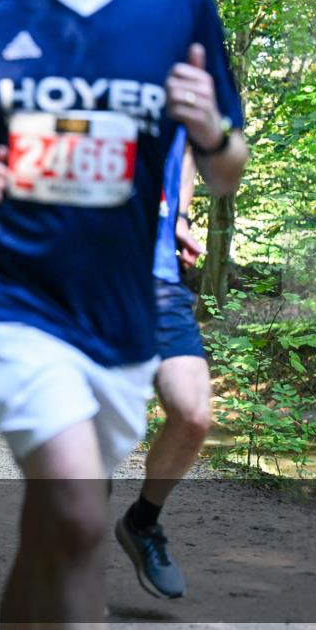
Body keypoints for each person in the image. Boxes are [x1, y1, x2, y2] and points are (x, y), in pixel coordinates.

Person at [0, 0, 247, 630]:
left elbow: (227, 169)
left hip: (123, 311)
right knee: (80, 511)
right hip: (8, 296)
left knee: (54, 530)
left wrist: (209, 132)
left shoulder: (180, 1)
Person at [115, 130, 210, 599]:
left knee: (193, 414)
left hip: (159, 275)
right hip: (82, 276)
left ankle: (142, 521)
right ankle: (72, 562)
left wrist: (181, 215)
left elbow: (186, 149)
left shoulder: (182, 94)